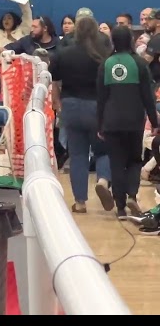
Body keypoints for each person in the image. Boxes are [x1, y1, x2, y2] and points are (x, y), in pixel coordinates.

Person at [49, 16, 113, 213]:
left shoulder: (63, 53)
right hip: (97, 107)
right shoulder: (104, 54)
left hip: (70, 106)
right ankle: (103, 180)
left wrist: (57, 103)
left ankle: (80, 202)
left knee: (77, 155)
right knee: (104, 150)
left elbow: (54, 82)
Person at [97, 26, 158, 219]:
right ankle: (132, 195)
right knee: (134, 160)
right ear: (131, 41)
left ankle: (121, 207)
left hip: (111, 120)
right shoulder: (139, 63)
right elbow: (148, 96)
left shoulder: (105, 64)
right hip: (134, 120)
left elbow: (100, 98)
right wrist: (154, 121)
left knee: (116, 161)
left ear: (113, 41)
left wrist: (100, 123)